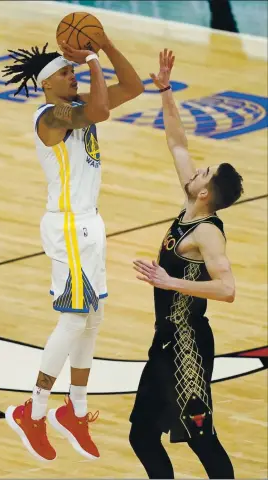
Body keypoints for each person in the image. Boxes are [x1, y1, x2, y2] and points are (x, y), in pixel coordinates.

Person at [2, 34, 143, 462]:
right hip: (67, 224)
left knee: (93, 317)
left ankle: (74, 410)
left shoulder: (76, 108)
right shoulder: (51, 115)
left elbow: (134, 88)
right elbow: (99, 108)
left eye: (75, 70)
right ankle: (34, 410)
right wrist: (95, 61)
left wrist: (106, 43)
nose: (73, 74)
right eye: (66, 72)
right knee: (73, 319)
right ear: (47, 83)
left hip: (89, 224)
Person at [129, 49, 243, 479]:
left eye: (203, 173)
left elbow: (227, 290)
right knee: (142, 435)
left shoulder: (207, 232)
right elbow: (177, 141)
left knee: (201, 437)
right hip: (166, 340)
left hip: (189, 346)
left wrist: (169, 281)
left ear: (204, 193)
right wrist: (165, 90)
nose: (195, 171)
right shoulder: (190, 204)